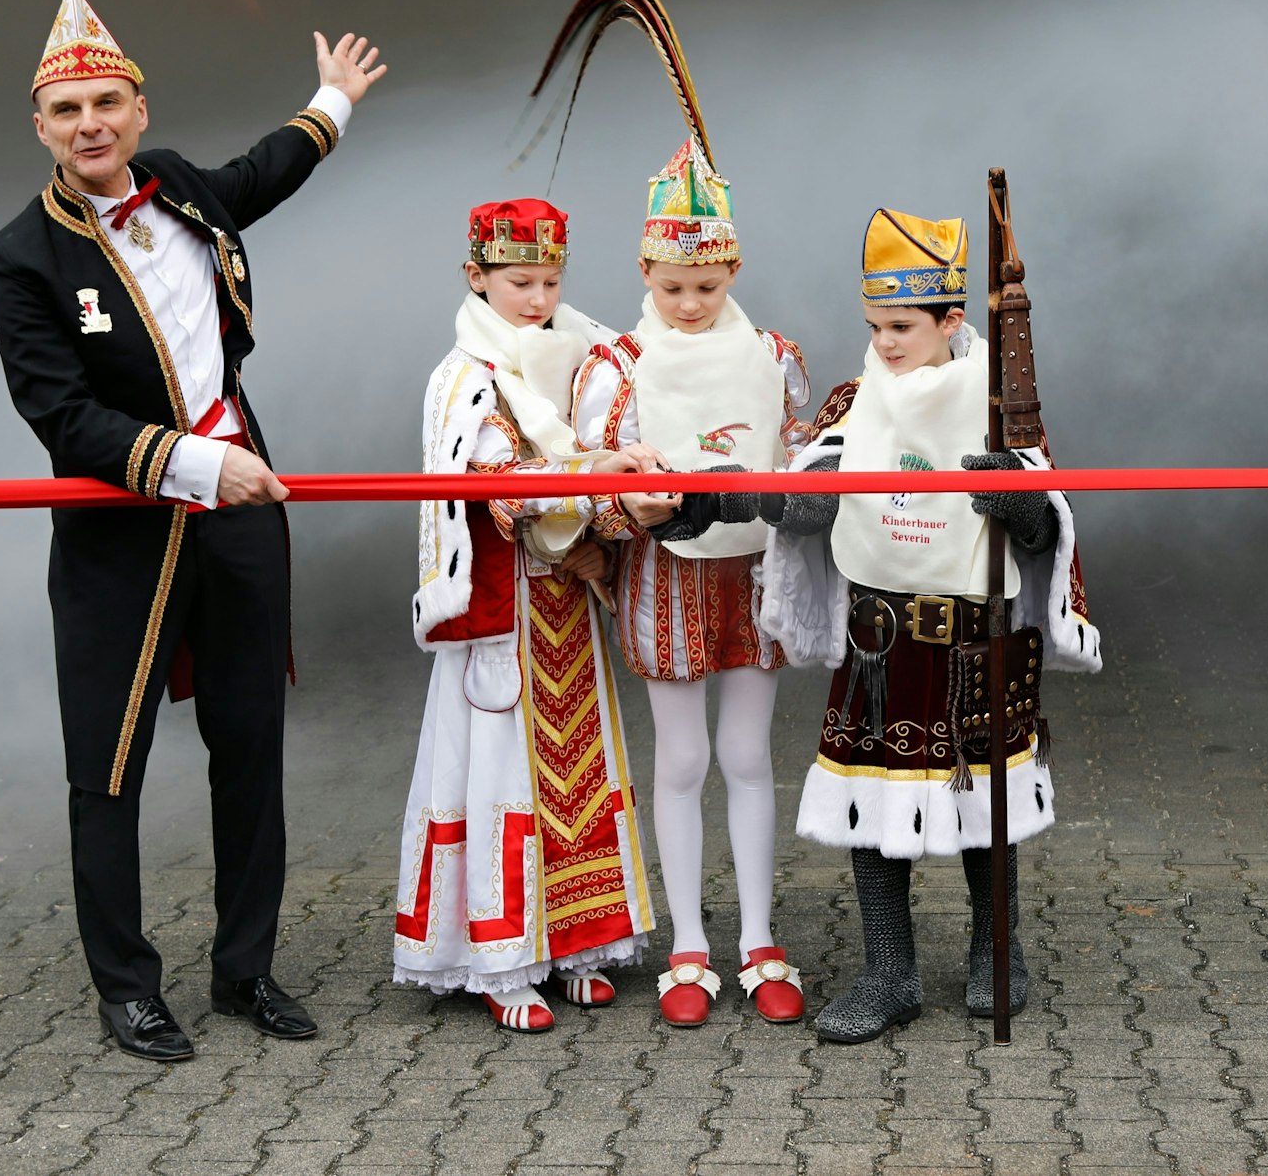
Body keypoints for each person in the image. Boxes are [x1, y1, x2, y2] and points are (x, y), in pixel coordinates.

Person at [0, 0, 385, 1061]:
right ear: (41, 128)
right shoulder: (20, 255)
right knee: (106, 764)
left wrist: (331, 103)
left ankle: (244, 969)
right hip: (123, 533)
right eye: (67, 112)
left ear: (138, 109)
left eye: (105, 103)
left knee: (249, 745)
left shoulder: (181, 187)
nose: (90, 126)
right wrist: (203, 462)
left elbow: (265, 172)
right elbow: (59, 417)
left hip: (241, 520)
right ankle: (126, 987)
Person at [671, 208, 1102, 1042]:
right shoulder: (852, 400)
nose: (886, 342)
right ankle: (888, 974)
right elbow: (803, 504)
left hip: (977, 634)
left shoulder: (1001, 410)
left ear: (951, 320)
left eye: (902, 326)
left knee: (988, 807)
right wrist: (712, 495)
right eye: (875, 326)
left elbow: (1051, 535)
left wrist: (1017, 508)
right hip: (881, 640)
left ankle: (993, 955)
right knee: (872, 809)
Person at [396, 198, 660, 1032]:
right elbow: (501, 484)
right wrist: (592, 482)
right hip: (504, 602)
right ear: (475, 276)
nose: (537, 298)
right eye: (518, 281)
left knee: (578, 776)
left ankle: (577, 944)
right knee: (499, 775)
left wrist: (595, 529)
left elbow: (584, 450)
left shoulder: (577, 353)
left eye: (549, 280)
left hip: (566, 604)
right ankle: (500, 957)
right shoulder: (464, 375)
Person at [571, 141, 810, 1027]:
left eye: (705, 288)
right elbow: (588, 491)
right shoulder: (617, 364)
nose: (688, 303)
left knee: (748, 755)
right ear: (644, 269)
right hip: (666, 576)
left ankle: (757, 938)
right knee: (680, 759)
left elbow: (796, 459)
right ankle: (685, 947)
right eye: (672, 286)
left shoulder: (775, 353)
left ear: (731, 271)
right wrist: (630, 502)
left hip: (754, 571)